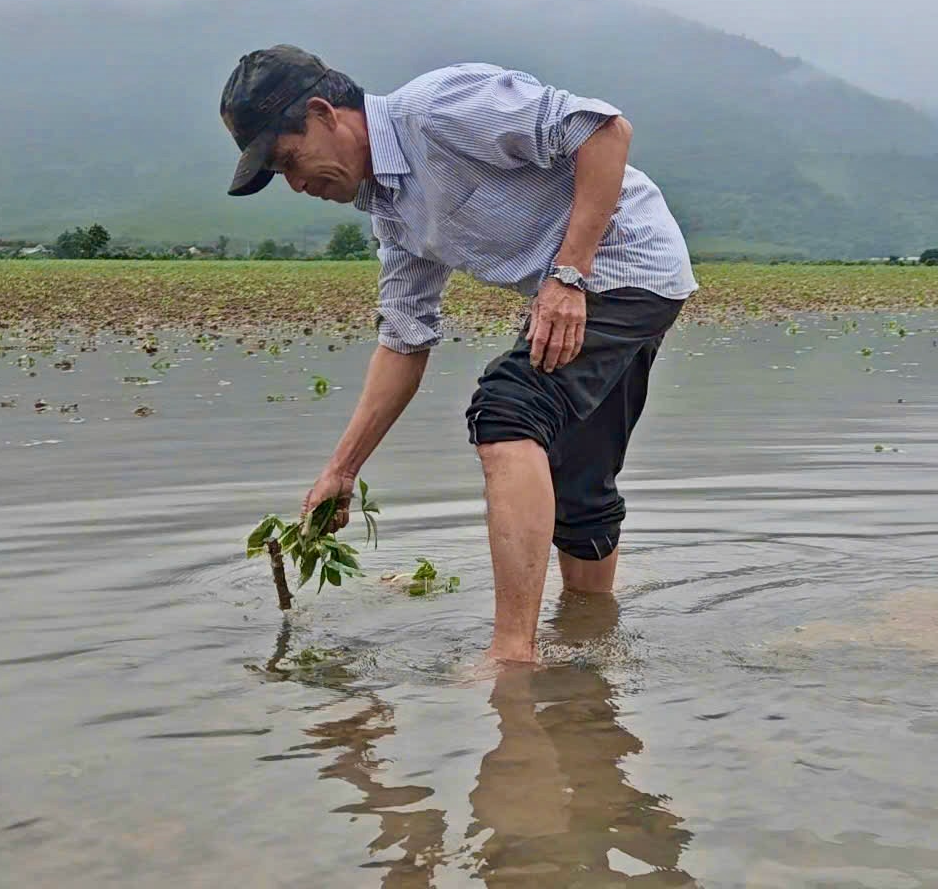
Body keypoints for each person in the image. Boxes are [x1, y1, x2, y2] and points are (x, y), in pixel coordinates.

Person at [219, 45, 696, 663]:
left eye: (289, 160)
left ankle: (510, 659)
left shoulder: (438, 109)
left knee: (508, 414)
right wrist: (342, 469)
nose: (297, 184)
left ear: (323, 113)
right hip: (608, 288)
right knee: (579, 480)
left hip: (624, 264)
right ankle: (591, 639)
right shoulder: (391, 209)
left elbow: (603, 130)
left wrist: (569, 276)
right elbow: (404, 339)